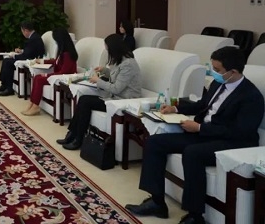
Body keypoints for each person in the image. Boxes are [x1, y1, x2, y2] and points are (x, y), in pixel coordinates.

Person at [125, 46, 264, 224]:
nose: (213, 73)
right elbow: (202, 105)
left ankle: (195, 215)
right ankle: (157, 203)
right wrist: (176, 108)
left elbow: (240, 131)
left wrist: (199, 128)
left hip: (231, 142)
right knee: (154, 142)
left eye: (218, 70)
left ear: (233, 72)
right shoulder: (218, 84)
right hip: (205, 133)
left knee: (193, 153)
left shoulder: (251, 96)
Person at [59, 33, 142, 150]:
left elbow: (116, 88)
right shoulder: (121, 60)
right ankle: (72, 134)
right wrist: (105, 70)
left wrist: (98, 81)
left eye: (108, 49)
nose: (108, 52)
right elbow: (116, 76)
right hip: (114, 98)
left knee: (85, 102)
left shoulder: (128, 64)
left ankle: (78, 139)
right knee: (83, 100)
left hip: (123, 101)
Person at [22, 29, 78, 116]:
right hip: (59, 75)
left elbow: (64, 72)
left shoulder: (67, 54)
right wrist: (42, 61)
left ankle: (35, 106)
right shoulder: (63, 51)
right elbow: (56, 61)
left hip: (64, 78)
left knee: (39, 79)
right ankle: (31, 104)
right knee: (37, 77)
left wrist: (47, 74)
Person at [0, 21, 45, 97]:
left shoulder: (33, 39)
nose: (23, 34)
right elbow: (30, 50)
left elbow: (27, 55)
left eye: (22, 31)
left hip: (32, 59)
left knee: (8, 62)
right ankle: (4, 85)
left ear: (26, 30)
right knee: (6, 60)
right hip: (30, 56)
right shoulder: (34, 36)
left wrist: (14, 56)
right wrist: (21, 51)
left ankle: (9, 88)